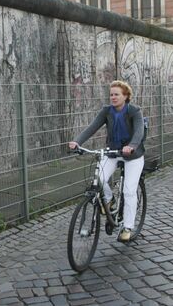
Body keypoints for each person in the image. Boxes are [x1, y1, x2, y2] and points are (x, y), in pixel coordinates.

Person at [68, 80, 145, 243]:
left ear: (125, 96)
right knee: (99, 180)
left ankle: (127, 227)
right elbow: (92, 127)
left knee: (129, 190)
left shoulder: (134, 111)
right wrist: (77, 141)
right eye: (111, 94)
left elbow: (138, 131)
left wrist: (131, 145)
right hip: (112, 152)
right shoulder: (106, 111)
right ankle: (109, 200)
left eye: (117, 94)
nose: (113, 97)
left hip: (133, 155)